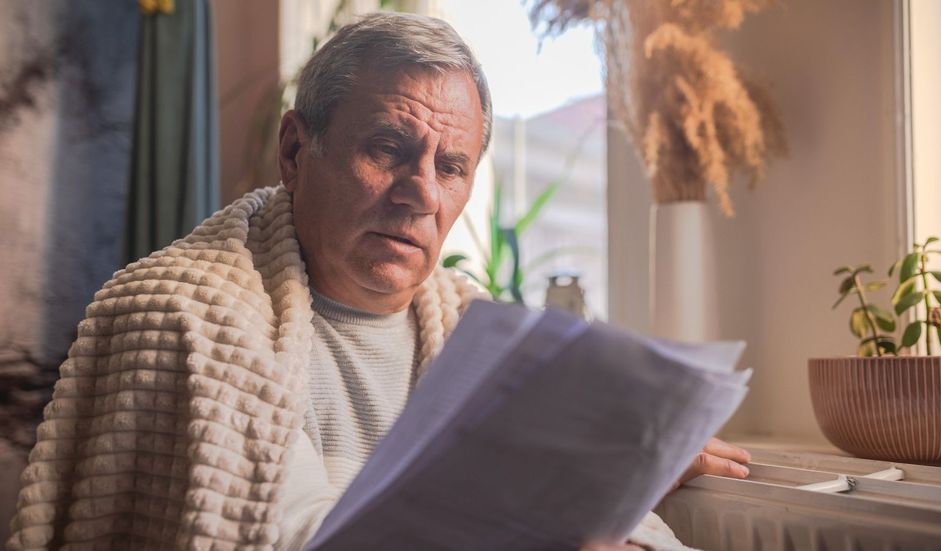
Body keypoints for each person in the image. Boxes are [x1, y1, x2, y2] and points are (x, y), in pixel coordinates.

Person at [6, 12, 749, 551]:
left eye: (450, 167)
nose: (421, 192)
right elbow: (292, 534)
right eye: (389, 147)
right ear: (296, 151)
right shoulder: (183, 318)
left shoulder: (478, 328)